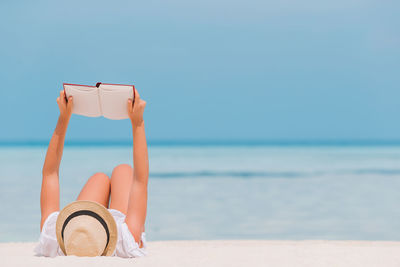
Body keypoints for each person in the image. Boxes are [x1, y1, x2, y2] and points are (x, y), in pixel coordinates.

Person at [34, 89, 148, 257]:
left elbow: (50, 173)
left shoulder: (53, 238)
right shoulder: (125, 240)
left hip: (82, 226)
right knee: (123, 170)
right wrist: (137, 123)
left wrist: (63, 118)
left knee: (99, 178)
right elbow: (140, 180)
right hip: (105, 224)